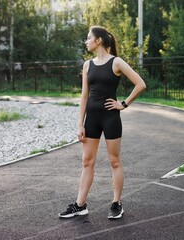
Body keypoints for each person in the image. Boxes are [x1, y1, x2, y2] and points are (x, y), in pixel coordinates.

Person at [59, 26, 146, 219]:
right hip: (92, 120)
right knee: (87, 161)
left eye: (89, 38)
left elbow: (140, 84)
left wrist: (123, 104)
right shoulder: (87, 65)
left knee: (114, 161)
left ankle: (117, 203)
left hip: (110, 118)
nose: (86, 41)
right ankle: (80, 205)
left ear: (98, 40)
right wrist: (80, 124)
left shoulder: (117, 62)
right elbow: (84, 96)